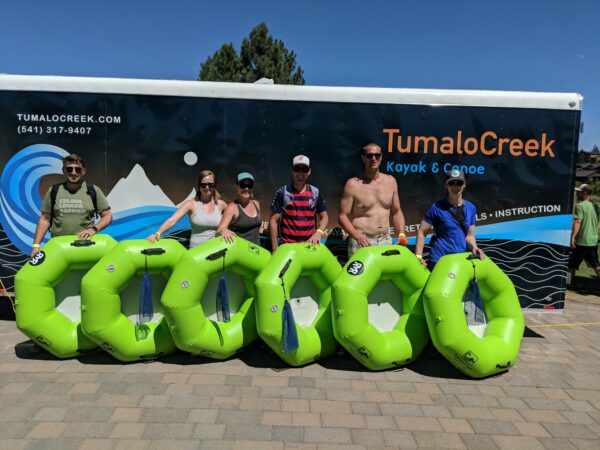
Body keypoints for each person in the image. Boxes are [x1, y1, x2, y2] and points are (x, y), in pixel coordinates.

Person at [32, 154, 112, 256]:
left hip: (85, 245)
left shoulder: (93, 190)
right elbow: (45, 219)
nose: (73, 173)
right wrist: (35, 246)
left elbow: (108, 216)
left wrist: (93, 229)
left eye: (77, 169)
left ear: (83, 171)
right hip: (59, 247)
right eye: (69, 169)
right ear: (63, 171)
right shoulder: (54, 190)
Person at [338, 143, 408, 258]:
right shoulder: (353, 184)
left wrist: (401, 233)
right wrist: (357, 236)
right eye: (370, 156)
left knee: (385, 276)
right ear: (363, 158)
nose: (374, 159)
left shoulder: (390, 181)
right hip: (362, 241)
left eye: (377, 155)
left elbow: (397, 212)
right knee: (361, 276)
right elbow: (342, 216)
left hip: (386, 241)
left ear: (381, 157)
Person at [415, 169, 485, 271]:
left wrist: (475, 247)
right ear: (446, 185)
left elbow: (469, 236)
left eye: (459, 183)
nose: (455, 187)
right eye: (452, 183)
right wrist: (418, 256)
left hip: (460, 260)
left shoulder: (471, 208)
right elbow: (422, 231)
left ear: (464, 184)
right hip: (439, 260)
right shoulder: (436, 208)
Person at [147, 169, 227, 248]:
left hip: (216, 252)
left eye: (210, 185)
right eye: (203, 185)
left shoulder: (221, 205)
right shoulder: (191, 204)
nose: (207, 187)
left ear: (215, 185)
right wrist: (157, 233)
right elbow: (172, 220)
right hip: (196, 253)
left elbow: (233, 220)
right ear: (199, 186)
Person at [269, 155, 328, 251]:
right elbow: (273, 220)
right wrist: (275, 247)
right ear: (292, 171)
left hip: (308, 247)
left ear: (309, 171)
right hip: (287, 247)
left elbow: (324, 217)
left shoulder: (315, 193)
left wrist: (319, 232)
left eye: (304, 169)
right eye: (297, 169)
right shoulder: (282, 192)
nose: (300, 173)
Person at [216, 172, 263, 245]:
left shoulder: (256, 204)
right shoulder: (232, 207)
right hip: (239, 252)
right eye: (243, 185)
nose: (246, 188)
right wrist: (224, 230)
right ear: (237, 187)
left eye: (249, 185)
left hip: (256, 251)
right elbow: (219, 230)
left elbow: (256, 228)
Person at [568, 183, 600, 288]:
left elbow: (578, 222)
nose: (577, 193)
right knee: (596, 264)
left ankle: (569, 284)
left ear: (585, 193)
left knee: (571, 264)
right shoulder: (595, 207)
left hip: (581, 241)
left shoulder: (580, 206)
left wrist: (572, 237)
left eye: (579, 191)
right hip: (593, 240)